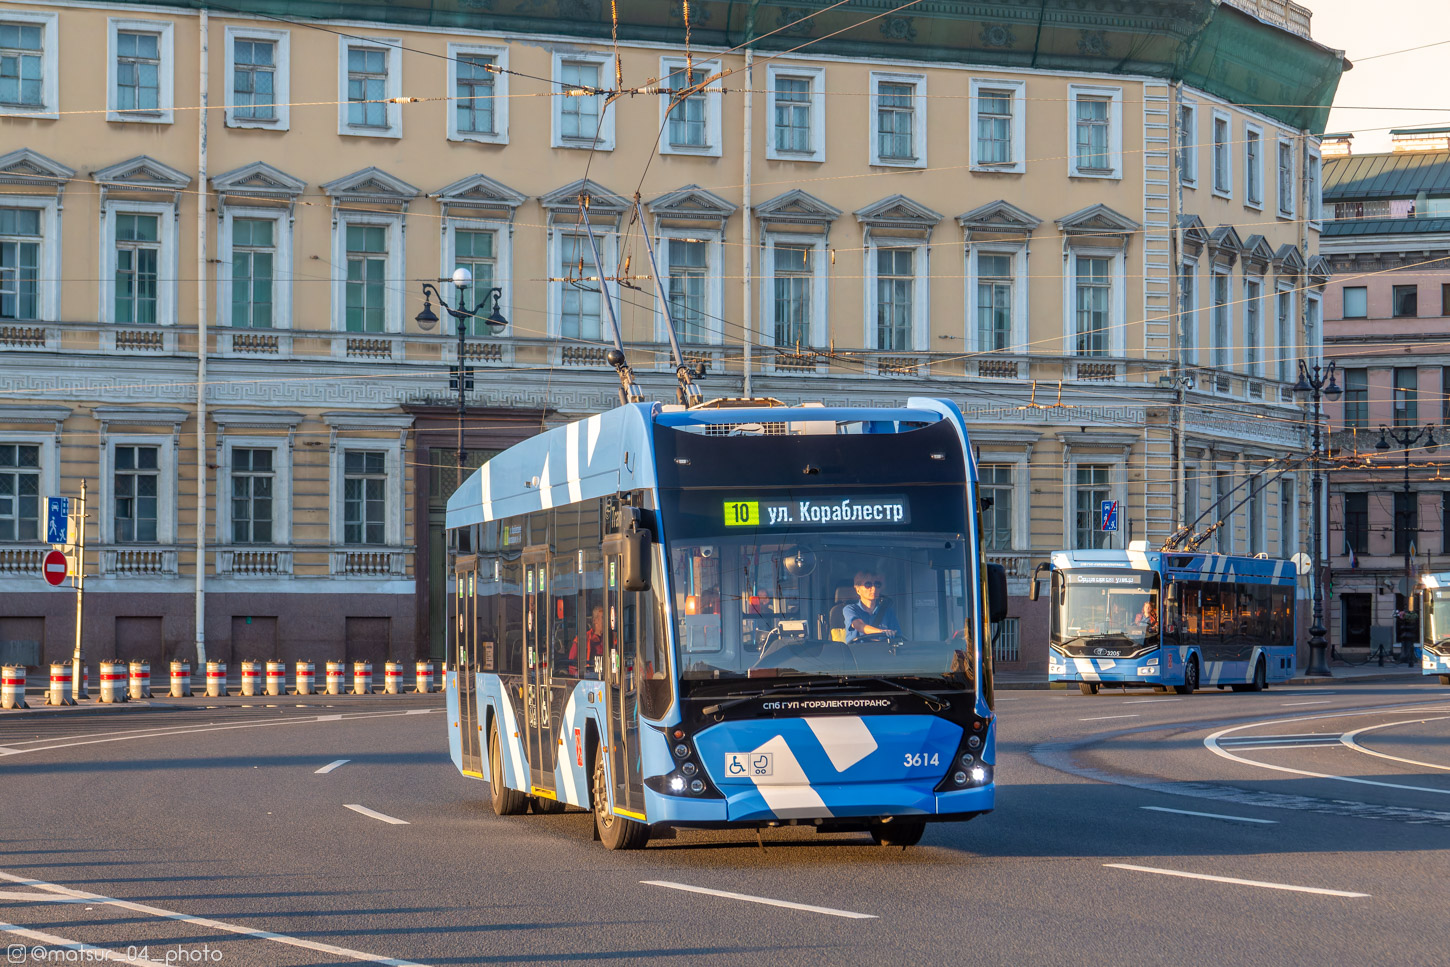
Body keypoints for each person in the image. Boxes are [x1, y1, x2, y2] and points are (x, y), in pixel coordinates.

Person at [843, 570, 900, 643]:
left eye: (877, 584)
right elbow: (859, 625)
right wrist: (882, 632)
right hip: (857, 652)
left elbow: (898, 636)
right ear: (858, 590)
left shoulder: (888, 612)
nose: (874, 588)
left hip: (882, 652)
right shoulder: (850, 609)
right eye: (868, 584)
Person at [568, 604, 604, 676]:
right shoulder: (581, 639)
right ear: (595, 620)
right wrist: (581, 676)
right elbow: (571, 666)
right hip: (589, 680)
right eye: (603, 618)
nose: (606, 621)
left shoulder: (611, 638)